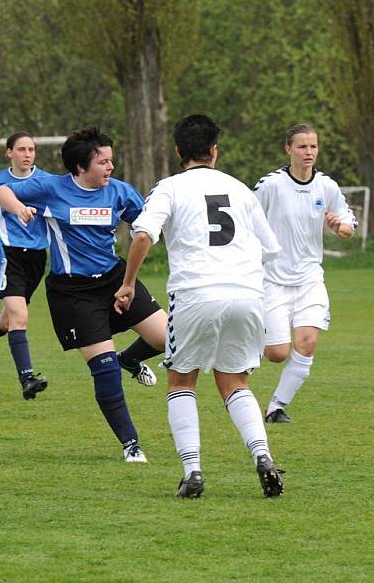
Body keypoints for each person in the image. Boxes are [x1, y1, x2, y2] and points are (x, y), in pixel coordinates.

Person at [114, 114, 284, 498]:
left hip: (195, 295)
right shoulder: (241, 189)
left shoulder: (170, 188)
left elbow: (142, 235)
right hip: (246, 293)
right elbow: (272, 251)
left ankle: (192, 471)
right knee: (234, 380)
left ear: (177, 151)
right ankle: (263, 456)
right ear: (214, 151)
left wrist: (128, 284)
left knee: (181, 381)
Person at [0, 127, 166, 463]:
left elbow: (146, 227)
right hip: (73, 292)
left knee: (169, 339)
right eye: (103, 161)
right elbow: (3, 190)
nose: (110, 167)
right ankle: (131, 444)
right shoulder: (50, 188)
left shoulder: (119, 192)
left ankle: (129, 359)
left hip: (116, 279)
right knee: (104, 370)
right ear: (80, 166)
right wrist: (17, 208)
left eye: (111, 160)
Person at [253, 123, 357, 424]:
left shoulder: (327, 186)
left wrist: (340, 228)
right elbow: (246, 219)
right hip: (272, 278)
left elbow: (349, 225)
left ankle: (275, 407)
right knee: (276, 353)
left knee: (308, 341)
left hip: (310, 277)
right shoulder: (270, 185)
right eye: (302, 146)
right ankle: (242, 341)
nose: (308, 152)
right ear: (289, 149)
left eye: (313, 146)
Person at [0, 132, 52, 399]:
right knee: (19, 316)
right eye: (21, 149)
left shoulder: (46, 181)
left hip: (37, 259)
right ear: (9, 153)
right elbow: (2, 195)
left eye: (31, 149)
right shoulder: (1, 181)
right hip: (9, 256)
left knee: (8, 322)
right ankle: (27, 379)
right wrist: (19, 209)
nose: (27, 154)